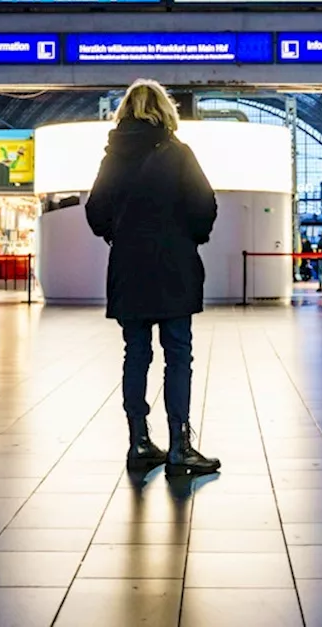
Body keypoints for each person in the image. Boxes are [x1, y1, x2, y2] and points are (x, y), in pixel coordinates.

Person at [86, 79, 220, 478]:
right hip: (174, 267)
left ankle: (139, 441)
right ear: (165, 111)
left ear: (124, 111)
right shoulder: (178, 154)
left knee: (136, 354)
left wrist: (119, 233)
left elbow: (95, 214)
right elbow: (205, 207)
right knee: (178, 353)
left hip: (129, 268)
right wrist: (188, 237)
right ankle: (180, 445)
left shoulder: (112, 158)